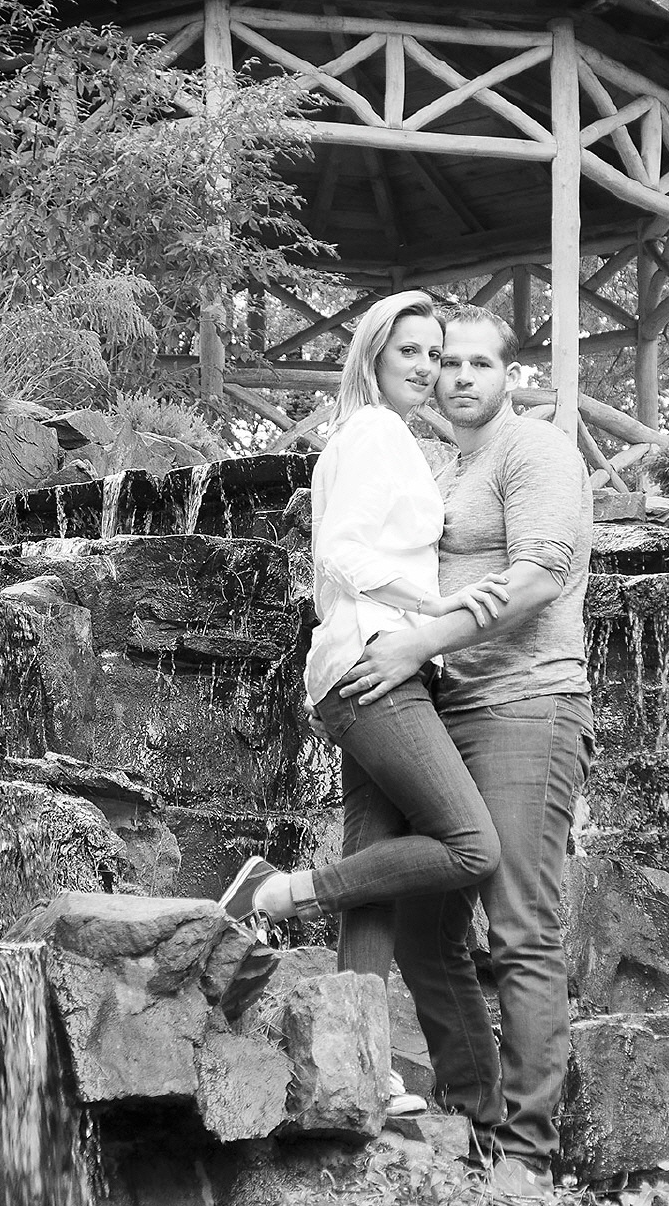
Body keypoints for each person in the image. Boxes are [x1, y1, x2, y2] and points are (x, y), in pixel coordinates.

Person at [218, 291, 512, 1116]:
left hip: (372, 665)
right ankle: (274, 892)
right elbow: (339, 553)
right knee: (470, 845)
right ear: (374, 354)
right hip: (375, 664)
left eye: (435, 354)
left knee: (373, 880)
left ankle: (355, 1062)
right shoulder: (375, 432)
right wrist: (434, 607)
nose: (426, 367)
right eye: (409, 350)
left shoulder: (381, 437)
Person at [336, 305, 594, 1199]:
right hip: (445, 706)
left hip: (527, 704)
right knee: (422, 931)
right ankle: (475, 1116)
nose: (459, 376)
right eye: (446, 361)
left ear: (508, 375)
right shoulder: (440, 463)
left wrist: (420, 641)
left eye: (480, 362)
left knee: (520, 927)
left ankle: (525, 1155)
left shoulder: (536, 450)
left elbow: (538, 576)